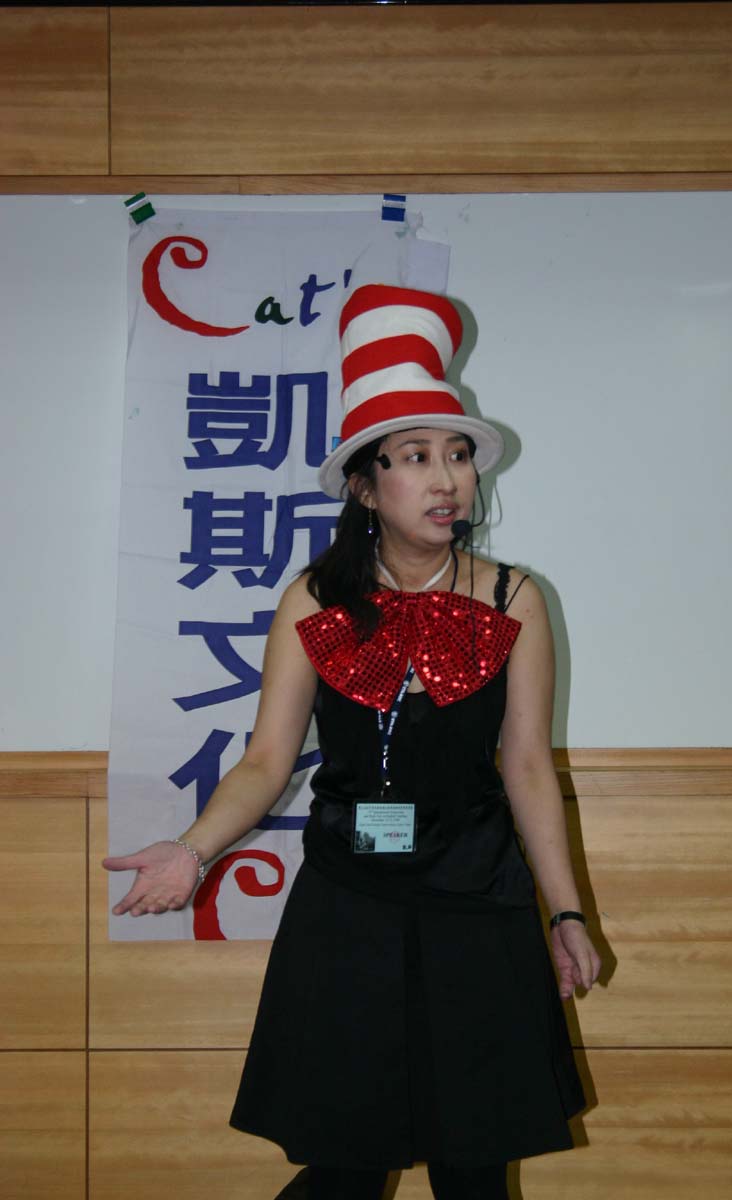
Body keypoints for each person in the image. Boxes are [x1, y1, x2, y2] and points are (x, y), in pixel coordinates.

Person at [104, 283, 602, 1200]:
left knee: (476, 1169)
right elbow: (266, 761)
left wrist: (566, 914)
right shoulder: (314, 598)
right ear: (367, 486)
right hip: (350, 902)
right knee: (344, 1166)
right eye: (416, 457)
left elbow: (529, 766)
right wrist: (193, 849)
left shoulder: (515, 598)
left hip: (479, 900)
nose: (448, 480)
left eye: (458, 455)